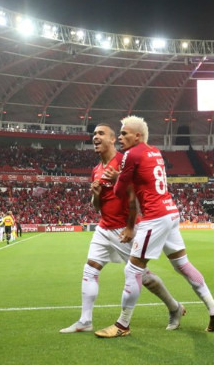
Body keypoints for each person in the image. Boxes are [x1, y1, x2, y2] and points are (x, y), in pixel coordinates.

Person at [95, 116, 214, 338]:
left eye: (124, 133)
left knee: (133, 268)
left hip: (155, 217)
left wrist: (116, 177)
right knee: (183, 265)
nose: (120, 137)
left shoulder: (131, 154)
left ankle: (122, 325)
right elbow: (142, 180)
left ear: (137, 136)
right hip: (170, 211)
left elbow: (119, 191)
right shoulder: (155, 151)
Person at [61, 123, 184, 334]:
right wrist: (96, 194)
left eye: (101, 134)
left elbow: (134, 197)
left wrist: (129, 227)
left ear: (111, 139)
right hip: (104, 228)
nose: (95, 137)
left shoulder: (123, 161)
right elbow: (96, 206)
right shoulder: (96, 170)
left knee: (143, 276)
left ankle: (175, 307)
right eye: (94, 134)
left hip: (123, 230)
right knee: (90, 269)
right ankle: (85, 320)